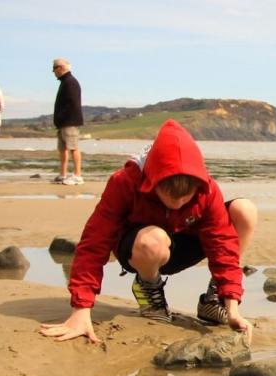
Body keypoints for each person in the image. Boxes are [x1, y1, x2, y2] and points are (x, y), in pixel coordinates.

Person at [40, 119, 257, 343]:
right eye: (171, 195)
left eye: (187, 196)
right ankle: (149, 289)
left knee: (245, 210)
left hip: (182, 241)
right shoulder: (125, 182)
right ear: (152, 182)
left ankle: (214, 301)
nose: (180, 202)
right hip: (141, 248)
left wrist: (232, 305)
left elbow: (223, 245)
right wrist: (81, 310)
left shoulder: (206, 189)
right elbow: (94, 243)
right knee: (154, 239)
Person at [51, 57, 84, 185]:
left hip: (70, 121)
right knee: (62, 148)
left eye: (54, 68)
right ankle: (63, 174)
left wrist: (62, 117)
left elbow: (72, 103)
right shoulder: (65, 81)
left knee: (73, 147)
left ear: (60, 68)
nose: (53, 71)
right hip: (63, 122)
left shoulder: (70, 82)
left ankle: (77, 175)